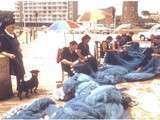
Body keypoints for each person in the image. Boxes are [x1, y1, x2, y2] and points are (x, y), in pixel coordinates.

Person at [0, 17, 25, 90]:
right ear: (6, 27)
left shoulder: (13, 34)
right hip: (11, 57)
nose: (13, 28)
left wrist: (19, 48)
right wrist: (9, 55)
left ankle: (20, 86)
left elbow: (17, 43)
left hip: (18, 55)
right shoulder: (2, 37)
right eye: (12, 26)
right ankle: (18, 87)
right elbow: (1, 50)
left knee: (22, 72)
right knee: (16, 72)